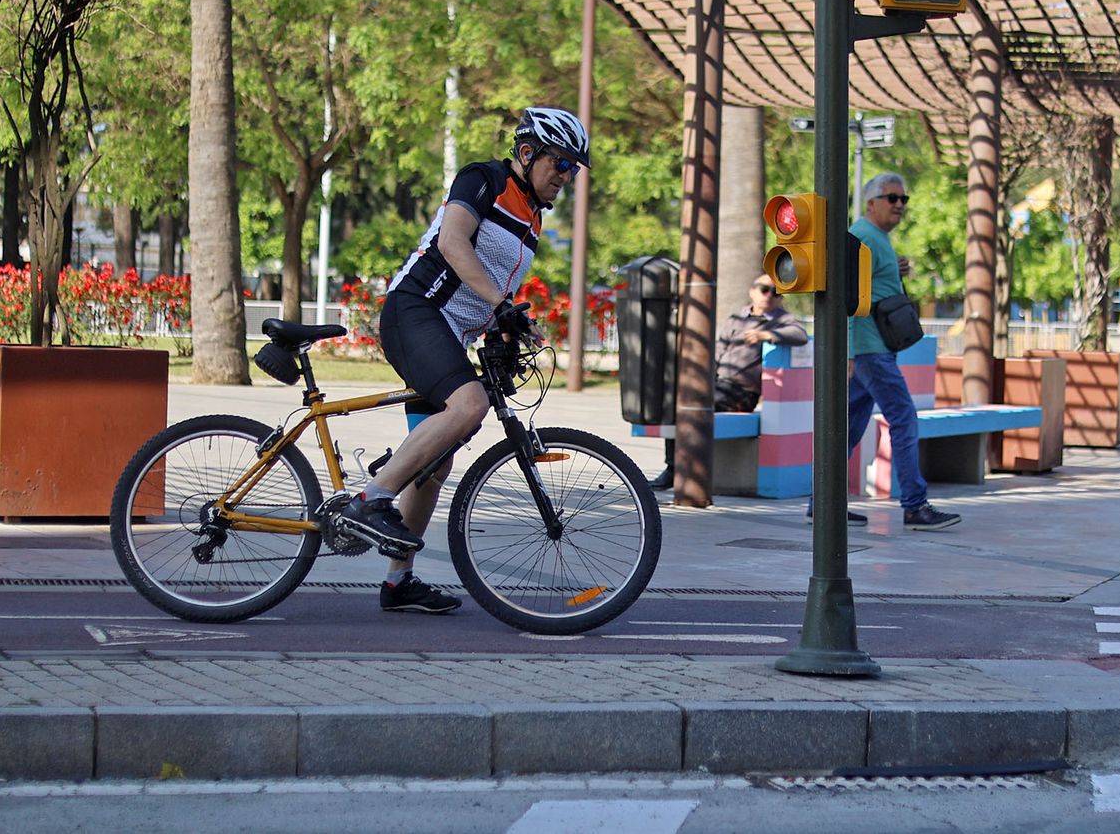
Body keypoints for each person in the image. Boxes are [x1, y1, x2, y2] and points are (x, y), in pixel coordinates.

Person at [337, 107, 589, 613]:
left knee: (435, 461)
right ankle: (370, 499)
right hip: (416, 311)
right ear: (526, 153)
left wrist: (510, 326)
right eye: (560, 164)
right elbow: (453, 244)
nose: (566, 177)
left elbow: (494, 293)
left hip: (451, 331)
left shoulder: (532, 218)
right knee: (468, 406)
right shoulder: (485, 180)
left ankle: (397, 582)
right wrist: (499, 304)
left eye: (573, 170)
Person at [834, 172, 960, 532]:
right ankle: (915, 506)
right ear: (871, 202)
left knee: (847, 430)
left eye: (904, 199)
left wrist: (897, 267)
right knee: (904, 419)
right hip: (869, 350)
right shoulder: (861, 237)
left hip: (872, 349)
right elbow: (846, 297)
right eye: (893, 198)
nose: (900, 205)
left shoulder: (876, 239)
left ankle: (820, 502)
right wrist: (847, 354)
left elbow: (870, 284)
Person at [649, 274, 809, 490]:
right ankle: (674, 467)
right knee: (679, 403)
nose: (769, 295)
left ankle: (680, 470)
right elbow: (717, 352)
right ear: (752, 291)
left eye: (776, 292)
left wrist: (765, 335)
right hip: (719, 383)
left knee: (696, 407)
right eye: (764, 289)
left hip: (743, 391)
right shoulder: (737, 319)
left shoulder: (782, 319)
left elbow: (800, 334)